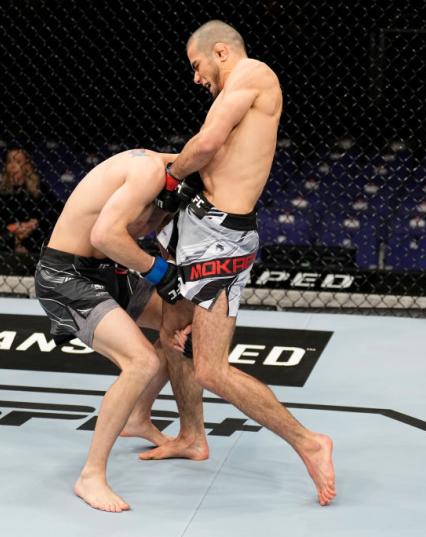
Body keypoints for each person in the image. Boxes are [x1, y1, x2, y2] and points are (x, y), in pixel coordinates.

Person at [141, 20, 337, 507]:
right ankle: (191, 435)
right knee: (170, 336)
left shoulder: (254, 74)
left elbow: (205, 146)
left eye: (197, 65)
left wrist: (169, 175)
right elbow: (210, 155)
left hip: (221, 242)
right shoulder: (239, 89)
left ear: (221, 51)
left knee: (210, 368)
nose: (196, 77)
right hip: (197, 228)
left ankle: (308, 441)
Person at [36, 148, 195, 512]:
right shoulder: (147, 170)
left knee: (182, 323)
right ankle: (90, 476)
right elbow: (106, 234)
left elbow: (161, 246)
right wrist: (161, 274)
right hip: (67, 276)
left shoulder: (182, 189)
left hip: (111, 273)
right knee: (141, 362)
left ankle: (138, 418)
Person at [0, 147, 63, 254]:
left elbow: (56, 209)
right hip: (5, 237)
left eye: (18, 161)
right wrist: (12, 228)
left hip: (34, 237)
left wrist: (35, 223)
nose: (13, 165)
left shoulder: (39, 188)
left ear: (26, 165)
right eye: (9, 161)